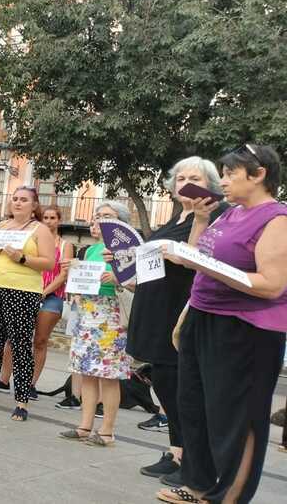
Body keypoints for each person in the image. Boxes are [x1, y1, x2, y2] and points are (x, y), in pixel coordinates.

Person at [158, 144, 286, 504]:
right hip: (204, 316)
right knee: (195, 407)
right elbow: (198, 261)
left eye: (230, 174)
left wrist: (207, 267)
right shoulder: (229, 214)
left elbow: (272, 284)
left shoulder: (276, 219)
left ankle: (229, 497)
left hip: (245, 328)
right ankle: (198, 484)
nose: (223, 181)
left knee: (238, 417)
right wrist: (199, 222)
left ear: (259, 174)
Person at [126, 157, 226, 485]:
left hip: (179, 310)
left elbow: (197, 258)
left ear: (209, 184)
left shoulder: (213, 215)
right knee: (165, 384)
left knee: (181, 388)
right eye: (180, 177)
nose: (185, 182)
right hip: (154, 307)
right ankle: (177, 450)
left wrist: (197, 222)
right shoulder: (174, 218)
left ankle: (194, 460)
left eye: (193, 177)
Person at [0, 186, 54, 421]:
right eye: (14, 199)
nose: (17, 203)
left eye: (24, 200)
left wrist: (22, 258)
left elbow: (49, 263)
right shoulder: (3, 226)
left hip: (23, 291)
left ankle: (22, 400)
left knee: (20, 344)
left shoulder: (40, 229)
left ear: (34, 205)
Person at [58, 201, 134, 446]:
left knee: (108, 375)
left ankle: (107, 431)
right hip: (88, 313)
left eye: (107, 216)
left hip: (111, 315)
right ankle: (84, 425)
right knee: (87, 373)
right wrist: (75, 274)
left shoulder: (126, 248)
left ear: (120, 222)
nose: (100, 220)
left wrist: (118, 276)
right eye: (98, 216)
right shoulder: (91, 250)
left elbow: (138, 283)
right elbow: (85, 280)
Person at [0, 205, 76, 402]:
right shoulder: (33, 238)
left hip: (50, 296)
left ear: (59, 220)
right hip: (27, 289)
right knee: (13, 336)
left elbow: (63, 274)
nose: (49, 221)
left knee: (40, 340)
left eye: (52, 218)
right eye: (46, 217)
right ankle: (3, 379)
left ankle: (30, 384)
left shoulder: (65, 244)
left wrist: (44, 292)